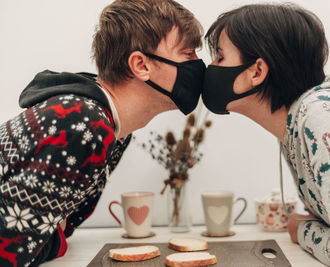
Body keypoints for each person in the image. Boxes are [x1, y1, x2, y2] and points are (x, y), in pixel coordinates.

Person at [0, 0, 205, 266]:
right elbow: (10, 255)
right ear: (141, 64)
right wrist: (56, 241)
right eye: (188, 53)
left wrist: (54, 236)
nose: (198, 65)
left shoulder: (113, 127)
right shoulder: (84, 123)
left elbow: (64, 224)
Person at [201, 3, 330, 266]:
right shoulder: (301, 121)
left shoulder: (322, 118)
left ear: (257, 71)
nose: (212, 67)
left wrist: (300, 230)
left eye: (220, 57)